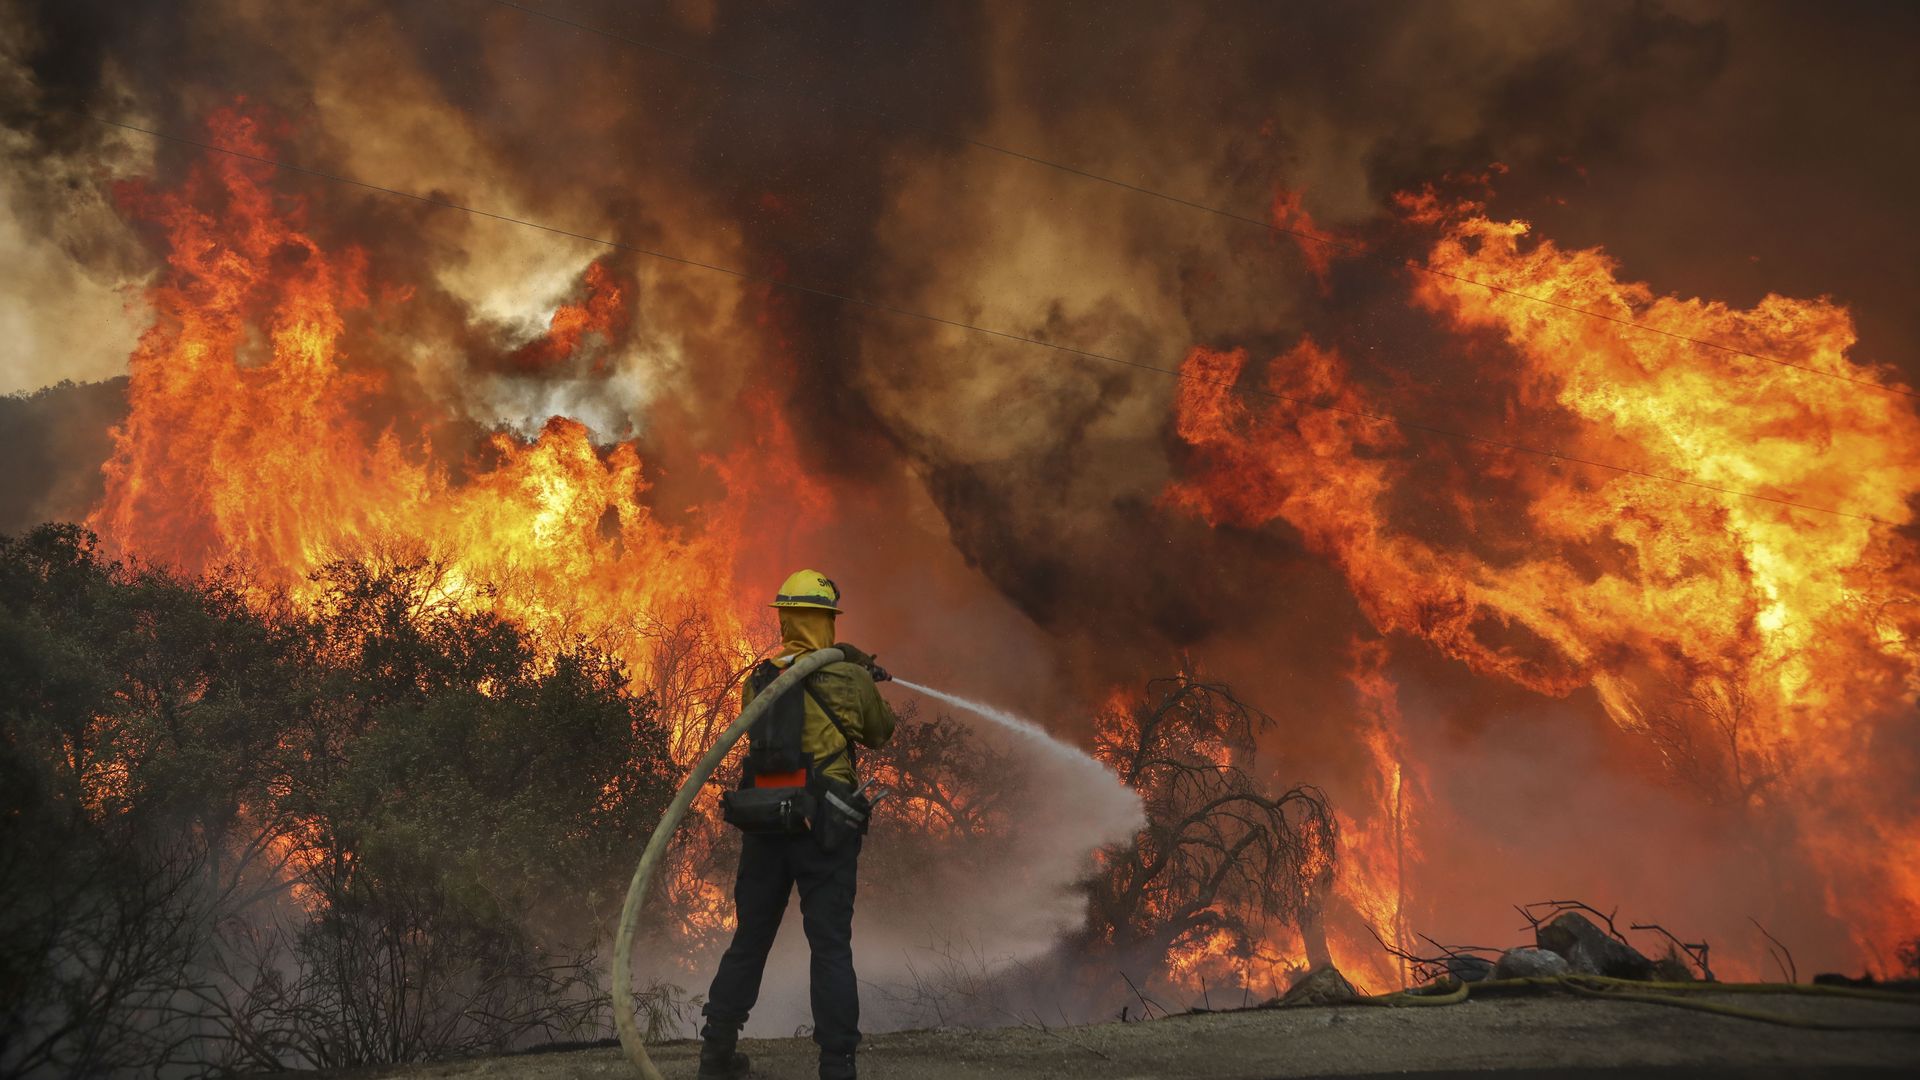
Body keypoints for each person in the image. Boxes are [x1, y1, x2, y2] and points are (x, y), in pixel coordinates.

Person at [699, 570, 899, 1080]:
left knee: (750, 938)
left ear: (785, 618)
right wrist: (866, 681)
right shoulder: (848, 678)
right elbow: (880, 733)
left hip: (766, 821)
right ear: (827, 622)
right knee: (830, 944)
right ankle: (837, 1066)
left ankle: (715, 1055)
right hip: (823, 828)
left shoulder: (760, 679)